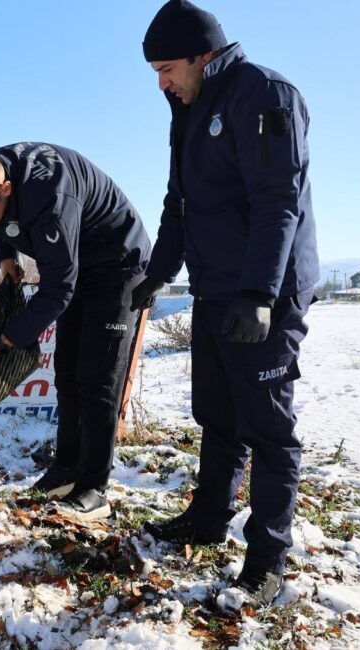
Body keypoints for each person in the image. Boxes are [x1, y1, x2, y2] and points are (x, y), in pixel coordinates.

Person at [132, 1, 320, 605]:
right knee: (217, 414)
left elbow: (277, 202)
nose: (160, 81)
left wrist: (260, 294)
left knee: (267, 428)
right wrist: (158, 273)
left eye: (166, 67)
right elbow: (177, 202)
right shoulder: (187, 107)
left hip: (266, 292)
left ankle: (267, 558)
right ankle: (208, 517)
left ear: (202, 56)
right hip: (215, 288)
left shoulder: (262, 95)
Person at [0, 143, 151, 522]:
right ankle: (66, 471)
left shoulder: (49, 200)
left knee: (98, 379)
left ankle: (94, 488)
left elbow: (58, 289)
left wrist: (3, 342)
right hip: (75, 268)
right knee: (68, 374)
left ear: (5, 189)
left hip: (118, 266)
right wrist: (4, 254)